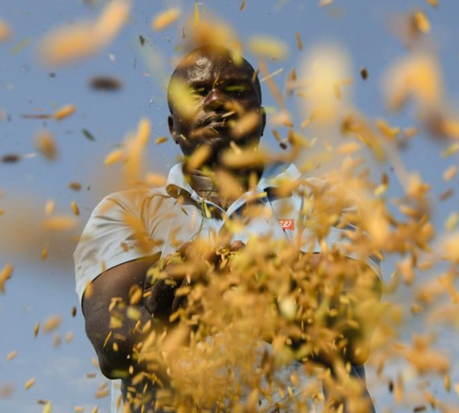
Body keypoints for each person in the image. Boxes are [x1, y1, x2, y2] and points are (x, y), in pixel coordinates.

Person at [74, 44, 382, 412]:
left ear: (262, 119)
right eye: (198, 93)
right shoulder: (128, 211)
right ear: (173, 127)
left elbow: (352, 328)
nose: (218, 101)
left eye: (236, 92)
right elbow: (113, 346)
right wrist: (167, 320)